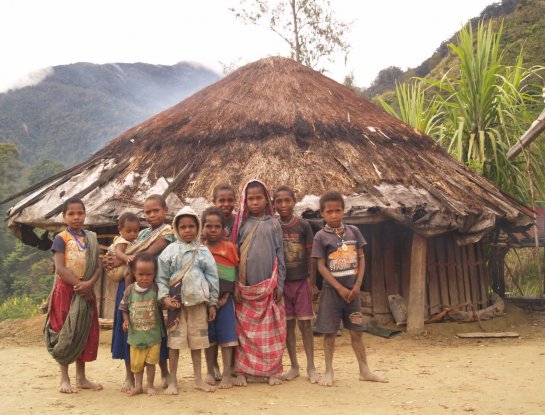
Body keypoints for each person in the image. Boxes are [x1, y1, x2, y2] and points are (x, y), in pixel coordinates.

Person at [311, 191, 387, 386]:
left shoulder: (353, 231)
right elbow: (321, 266)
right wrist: (338, 287)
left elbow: (361, 258)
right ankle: (328, 371)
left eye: (338, 210)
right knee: (329, 332)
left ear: (344, 211)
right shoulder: (320, 236)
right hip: (331, 292)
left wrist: (358, 285)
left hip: (353, 293)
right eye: (330, 211)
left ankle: (364, 370)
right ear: (322, 213)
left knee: (356, 332)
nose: (334, 215)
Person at [108, 194, 174, 392]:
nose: (152, 215)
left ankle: (164, 372)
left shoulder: (168, 231)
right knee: (128, 329)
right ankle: (129, 376)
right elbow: (121, 251)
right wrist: (120, 259)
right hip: (131, 290)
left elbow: (150, 252)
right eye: (148, 212)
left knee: (157, 331)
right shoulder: (142, 235)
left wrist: (122, 259)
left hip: (153, 289)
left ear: (165, 211)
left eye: (156, 210)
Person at [157, 206, 219, 394]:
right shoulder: (168, 251)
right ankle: (174, 381)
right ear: (176, 228)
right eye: (183, 227)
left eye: (191, 226)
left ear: (198, 227)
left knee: (197, 343)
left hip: (198, 304)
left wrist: (213, 302)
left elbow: (212, 277)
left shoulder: (203, 252)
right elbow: (161, 278)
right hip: (175, 305)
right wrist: (164, 298)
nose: (187, 230)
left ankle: (198, 379)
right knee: (174, 344)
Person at [231, 180, 286, 386]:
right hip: (245, 289)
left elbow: (280, 256)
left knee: (272, 330)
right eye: (251, 198)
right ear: (245, 200)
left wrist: (279, 285)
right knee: (244, 333)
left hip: (269, 287)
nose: (255, 202)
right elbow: (234, 256)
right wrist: (236, 283)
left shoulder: (274, 224)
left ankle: (272, 371)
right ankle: (243, 372)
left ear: (266, 199)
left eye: (259, 198)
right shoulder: (242, 224)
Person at [45, 196, 102, 393]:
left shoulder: (91, 238)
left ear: (85, 215)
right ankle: (64, 379)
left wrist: (90, 284)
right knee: (65, 331)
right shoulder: (61, 238)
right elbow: (60, 268)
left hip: (86, 290)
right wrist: (81, 285)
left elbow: (97, 266)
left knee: (83, 331)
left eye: (80, 213)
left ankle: (82, 377)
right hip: (66, 291)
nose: (76, 217)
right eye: (71, 214)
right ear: (64, 216)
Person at [273, 185, 320, 384]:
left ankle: (311, 366)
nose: (283, 205)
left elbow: (312, 256)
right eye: (279, 201)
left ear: (294, 201)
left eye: (287, 200)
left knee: (305, 325)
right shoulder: (273, 226)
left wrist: (312, 282)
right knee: (288, 327)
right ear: (274, 204)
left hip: (301, 282)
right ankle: (293, 366)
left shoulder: (303, 225)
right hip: (282, 284)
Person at [201, 207, 239, 389]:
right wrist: (210, 302)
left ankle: (226, 374)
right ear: (203, 228)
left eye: (217, 226)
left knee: (227, 337)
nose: (213, 230)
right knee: (209, 338)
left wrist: (229, 294)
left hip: (226, 299)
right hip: (206, 302)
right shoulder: (200, 250)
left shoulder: (230, 248)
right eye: (209, 226)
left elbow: (236, 271)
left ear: (224, 229)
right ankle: (209, 370)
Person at [120, 252, 163, 397]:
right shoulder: (129, 290)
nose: (145, 278)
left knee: (151, 363)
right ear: (134, 273)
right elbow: (124, 308)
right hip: (136, 336)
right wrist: (126, 321)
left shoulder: (156, 289)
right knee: (137, 365)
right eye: (141, 274)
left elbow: (162, 304)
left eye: (149, 274)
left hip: (153, 336)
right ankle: (138, 385)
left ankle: (150, 385)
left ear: (154, 274)